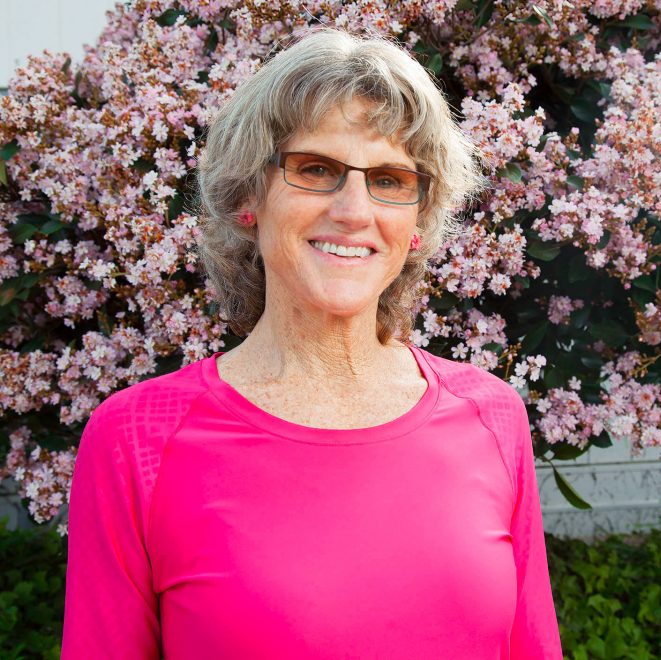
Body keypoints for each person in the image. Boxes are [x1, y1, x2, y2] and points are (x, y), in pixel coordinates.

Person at [61, 26, 563, 659]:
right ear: (248, 196)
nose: (354, 210)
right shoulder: (137, 438)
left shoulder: (492, 415)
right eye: (315, 169)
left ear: (416, 222)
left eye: (389, 179)